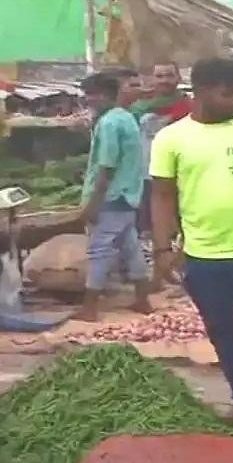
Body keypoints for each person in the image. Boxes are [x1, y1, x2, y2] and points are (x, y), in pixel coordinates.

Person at [150, 58, 233, 422]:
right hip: (204, 256)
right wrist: (162, 248)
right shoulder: (171, 138)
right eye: (227, 94)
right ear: (201, 92)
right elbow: (162, 195)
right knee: (223, 332)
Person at [76, 73, 150, 321]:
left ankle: (90, 308)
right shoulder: (126, 117)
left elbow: (107, 166)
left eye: (92, 94)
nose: (88, 100)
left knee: (99, 249)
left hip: (111, 196)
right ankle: (142, 300)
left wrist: (93, 204)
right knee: (130, 247)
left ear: (106, 95)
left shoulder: (108, 123)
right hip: (129, 194)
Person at [130, 62, 193, 243]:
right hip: (147, 175)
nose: (164, 80)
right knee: (150, 230)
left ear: (178, 78)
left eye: (169, 75)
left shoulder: (189, 106)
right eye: (159, 76)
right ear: (151, 79)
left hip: (183, 174)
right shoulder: (137, 108)